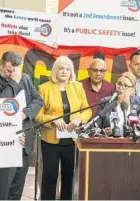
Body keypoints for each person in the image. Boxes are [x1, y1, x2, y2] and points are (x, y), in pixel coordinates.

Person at [0, 51, 43, 200]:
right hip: (3, 146)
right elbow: (0, 107)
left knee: (16, 192)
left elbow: (37, 100)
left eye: (16, 70)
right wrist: (14, 83)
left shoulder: (26, 78)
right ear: (0, 65)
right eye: (9, 70)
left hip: (23, 145)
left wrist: (25, 114)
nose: (13, 74)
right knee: (0, 193)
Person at [35, 56, 92, 200]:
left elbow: (87, 111)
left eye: (67, 69)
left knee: (69, 176)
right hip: (50, 141)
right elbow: (37, 115)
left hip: (71, 141)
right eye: (60, 68)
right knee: (49, 176)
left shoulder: (77, 87)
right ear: (55, 71)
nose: (64, 72)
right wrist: (53, 120)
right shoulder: (44, 88)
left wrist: (79, 118)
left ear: (71, 71)